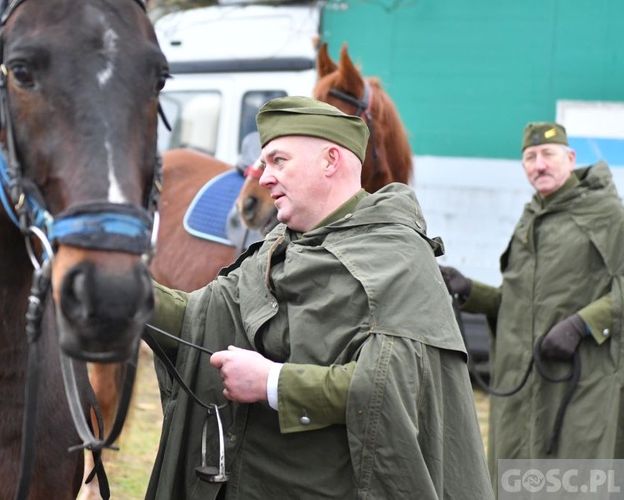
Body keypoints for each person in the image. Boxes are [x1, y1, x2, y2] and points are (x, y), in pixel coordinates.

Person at [145, 96, 492, 499]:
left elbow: (392, 388)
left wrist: (271, 382)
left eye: (278, 161)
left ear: (330, 161)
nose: (264, 177)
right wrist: (126, 293)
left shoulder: (398, 257)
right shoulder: (275, 249)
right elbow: (200, 319)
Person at [441, 122, 624, 485]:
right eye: (530, 157)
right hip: (523, 385)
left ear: (570, 158)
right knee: (518, 483)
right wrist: (469, 290)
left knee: (577, 485)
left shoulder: (608, 215)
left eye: (548, 155)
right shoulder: (531, 218)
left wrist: (582, 323)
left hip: (582, 382)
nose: (538, 165)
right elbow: (519, 302)